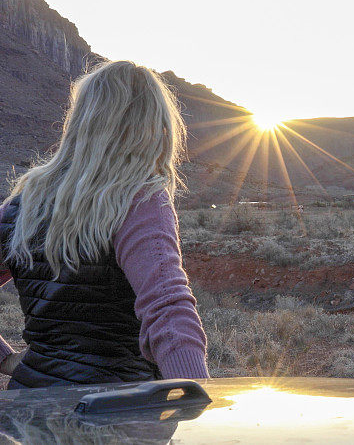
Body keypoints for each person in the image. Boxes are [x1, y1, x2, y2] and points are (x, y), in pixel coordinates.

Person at [0, 60, 210, 389]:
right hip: (116, 414)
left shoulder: (21, 205)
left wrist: (8, 360)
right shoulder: (140, 200)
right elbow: (168, 310)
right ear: (150, 126)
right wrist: (198, 407)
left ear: (81, 122)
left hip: (31, 412)